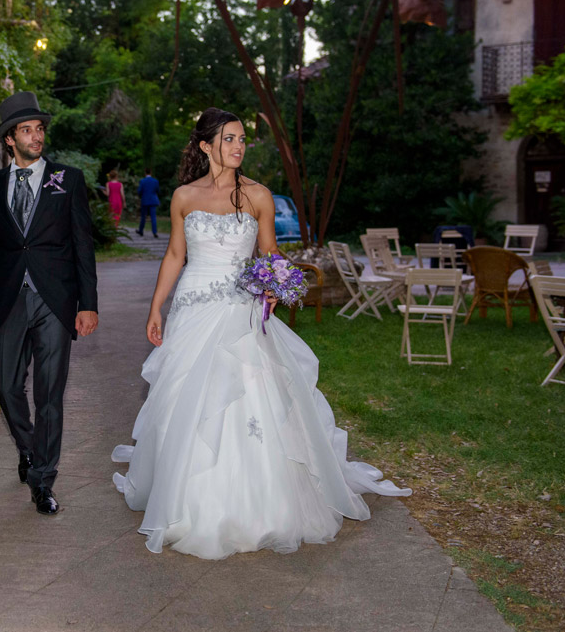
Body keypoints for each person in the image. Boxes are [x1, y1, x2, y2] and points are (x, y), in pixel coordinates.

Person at [111, 107, 410, 559]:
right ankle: (181, 494)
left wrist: (273, 286)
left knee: (249, 391)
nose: (238, 146)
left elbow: (269, 253)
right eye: (229, 139)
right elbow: (175, 254)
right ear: (206, 146)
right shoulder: (183, 197)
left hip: (239, 307)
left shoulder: (258, 196)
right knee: (183, 394)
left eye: (241, 139)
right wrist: (156, 307)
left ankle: (255, 503)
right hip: (193, 307)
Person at [0, 91, 99, 516]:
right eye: (27, 130)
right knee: (5, 384)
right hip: (12, 298)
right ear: (9, 140)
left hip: (56, 300)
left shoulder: (68, 180)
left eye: (39, 129)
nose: (36, 136)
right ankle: (29, 447)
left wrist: (88, 304)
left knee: (49, 395)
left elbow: (83, 246)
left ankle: (43, 481)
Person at [136, 169, 160, 238]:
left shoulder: (142, 181)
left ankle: (141, 230)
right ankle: (154, 232)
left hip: (145, 200)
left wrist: (141, 196)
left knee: (143, 216)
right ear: (151, 172)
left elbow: (139, 191)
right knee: (153, 217)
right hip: (153, 200)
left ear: (145, 173)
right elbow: (158, 190)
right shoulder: (155, 181)